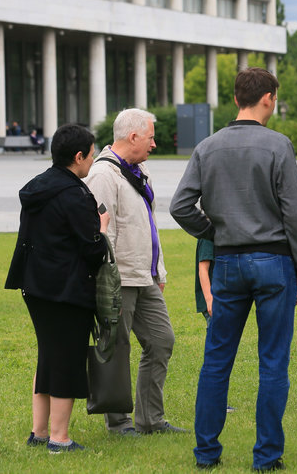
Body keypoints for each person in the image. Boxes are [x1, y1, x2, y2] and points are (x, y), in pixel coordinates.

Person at [170, 67, 297, 471]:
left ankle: (206, 454)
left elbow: (180, 206)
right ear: (268, 98)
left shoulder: (207, 146)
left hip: (227, 262)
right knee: (272, 361)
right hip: (274, 262)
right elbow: (294, 213)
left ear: (235, 99)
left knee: (216, 360)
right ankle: (266, 457)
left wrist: (214, 232)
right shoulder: (279, 146)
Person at [4, 124, 110, 453]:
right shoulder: (75, 194)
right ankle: (59, 438)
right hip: (66, 289)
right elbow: (92, 249)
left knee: (49, 357)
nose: (92, 162)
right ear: (78, 157)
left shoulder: (37, 187)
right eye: (91, 155)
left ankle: (38, 432)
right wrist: (102, 229)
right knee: (66, 360)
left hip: (35, 285)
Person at [84, 108, 184, 436]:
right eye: (151, 137)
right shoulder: (103, 175)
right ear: (134, 136)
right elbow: (101, 232)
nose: (154, 143)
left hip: (145, 274)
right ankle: (118, 423)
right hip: (119, 278)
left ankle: (150, 420)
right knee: (116, 346)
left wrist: (159, 269)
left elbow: (149, 224)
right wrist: (105, 279)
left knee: (161, 340)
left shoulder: (140, 170)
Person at [194, 237, 236, 414]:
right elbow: (203, 267)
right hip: (215, 302)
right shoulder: (208, 235)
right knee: (217, 352)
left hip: (225, 301)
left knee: (222, 351)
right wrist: (210, 300)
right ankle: (213, 401)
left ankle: (217, 400)